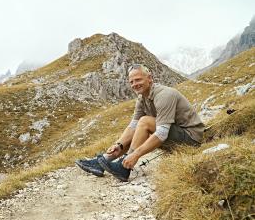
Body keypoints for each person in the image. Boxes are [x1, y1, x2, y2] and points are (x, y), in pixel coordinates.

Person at [75, 64, 204, 181]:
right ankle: (103, 161)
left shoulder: (164, 95)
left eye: (138, 80)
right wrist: (118, 144)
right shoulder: (142, 98)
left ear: (150, 78)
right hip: (174, 134)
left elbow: (162, 133)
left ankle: (124, 167)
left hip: (191, 138)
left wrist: (135, 155)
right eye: (131, 82)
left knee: (145, 122)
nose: (134, 84)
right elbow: (133, 125)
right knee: (138, 127)